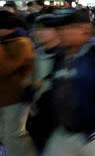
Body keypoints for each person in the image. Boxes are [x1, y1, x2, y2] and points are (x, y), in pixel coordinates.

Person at [43, 9, 95, 156]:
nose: (61, 33)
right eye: (59, 29)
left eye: (67, 28)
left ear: (84, 29)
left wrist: (91, 119)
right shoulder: (61, 55)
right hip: (64, 130)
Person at [0, 11, 37, 156]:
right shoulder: (6, 41)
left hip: (15, 99)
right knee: (5, 135)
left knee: (13, 137)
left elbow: (4, 68)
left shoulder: (21, 42)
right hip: (4, 98)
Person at [28, 14, 64, 151]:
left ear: (56, 31)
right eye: (36, 29)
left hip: (59, 120)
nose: (37, 33)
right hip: (40, 117)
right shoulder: (37, 53)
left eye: (43, 29)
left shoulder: (66, 56)